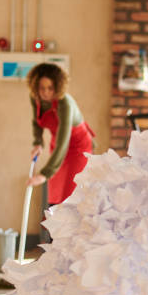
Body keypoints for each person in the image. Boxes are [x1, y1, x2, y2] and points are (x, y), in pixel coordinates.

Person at [27, 63, 95, 208]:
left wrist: (44, 174)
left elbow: (63, 143)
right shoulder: (36, 99)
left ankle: (73, 229)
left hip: (77, 146)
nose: (45, 92)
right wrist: (38, 142)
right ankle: (56, 228)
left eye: (50, 88)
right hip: (57, 141)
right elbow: (36, 122)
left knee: (72, 194)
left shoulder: (65, 104)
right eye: (41, 88)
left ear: (57, 87)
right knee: (56, 192)